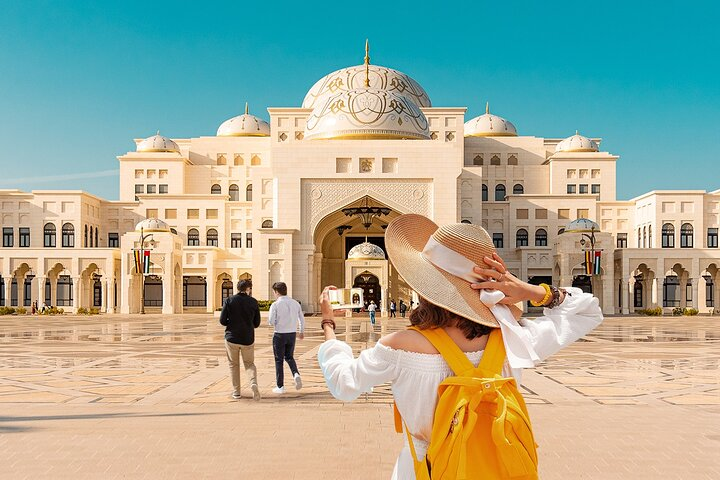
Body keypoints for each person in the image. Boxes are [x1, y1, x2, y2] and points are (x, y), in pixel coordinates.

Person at [317, 214, 603, 479]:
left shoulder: (401, 346)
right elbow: (588, 312)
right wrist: (530, 291)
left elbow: (344, 383)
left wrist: (329, 324)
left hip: (423, 471)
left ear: (424, 285)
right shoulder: (514, 338)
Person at [219, 279, 261, 401]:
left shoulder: (229, 300)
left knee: (233, 365)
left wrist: (231, 323)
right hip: (247, 338)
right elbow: (256, 323)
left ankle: (236, 392)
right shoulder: (253, 302)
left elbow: (222, 321)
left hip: (232, 338)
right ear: (249, 289)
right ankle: (253, 382)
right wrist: (247, 324)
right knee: (249, 363)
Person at [268, 282, 304, 394]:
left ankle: (280, 386)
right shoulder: (295, 303)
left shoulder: (275, 305)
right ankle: (295, 373)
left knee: (279, 360)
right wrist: (301, 331)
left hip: (279, 334)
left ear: (277, 292)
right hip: (292, 334)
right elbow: (301, 319)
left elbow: (270, 321)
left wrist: (275, 322)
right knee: (289, 357)